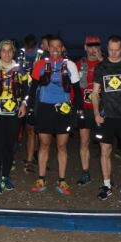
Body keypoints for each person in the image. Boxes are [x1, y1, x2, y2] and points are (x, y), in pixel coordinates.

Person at [27, 36, 82, 196]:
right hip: (44, 108)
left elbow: (77, 91)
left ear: (63, 48)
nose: (56, 49)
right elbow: (33, 89)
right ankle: (41, 178)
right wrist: (30, 109)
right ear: (48, 48)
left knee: (62, 146)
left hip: (63, 110)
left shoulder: (70, 65)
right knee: (44, 144)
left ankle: (62, 180)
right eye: (52, 46)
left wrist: (76, 110)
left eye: (59, 46)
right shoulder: (40, 65)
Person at [92, 35, 121, 202]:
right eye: (110, 49)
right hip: (106, 116)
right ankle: (106, 185)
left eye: (116, 50)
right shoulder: (101, 67)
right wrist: (96, 113)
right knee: (105, 151)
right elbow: (95, 93)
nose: (113, 53)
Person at [0, 40, 28, 194]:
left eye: (10, 50)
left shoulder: (20, 70)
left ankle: (5, 177)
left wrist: (24, 104)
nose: (7, 53)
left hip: (14, 114)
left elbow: (27, 91)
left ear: (13, 52)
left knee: (10, 147)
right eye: (3, 50)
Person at [75, 35, 103, 186]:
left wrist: (102, 61)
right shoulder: (79, 64)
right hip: (85, 109)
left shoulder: (106, 64)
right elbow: (73, 87)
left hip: (103, 110)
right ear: (85, 47)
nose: (93, 49)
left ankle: (107, 176)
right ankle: (85, 172)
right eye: (90, 46)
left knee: (105, 143)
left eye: (96, 46)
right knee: (84, 141)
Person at [23, 34, 51, 174]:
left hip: (42, 97)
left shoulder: (46, 57)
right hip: (27, 97)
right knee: (30, 130)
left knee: (41, 132)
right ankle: (29, 160)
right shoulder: (20, 55)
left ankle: (40, 159)